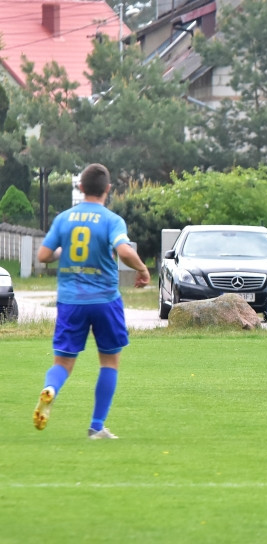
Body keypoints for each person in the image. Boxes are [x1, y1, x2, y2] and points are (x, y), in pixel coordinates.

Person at [33, 163, 151, 439]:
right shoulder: (111, 220)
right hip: (104, 300)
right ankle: (97, 426)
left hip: (71, 300)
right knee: (109, 362)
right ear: (108, 189)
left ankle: (51, 389)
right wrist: (143, 269)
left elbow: (43, 256)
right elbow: (123, 250)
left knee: (62, 363)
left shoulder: (64, 219)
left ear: (80, 187)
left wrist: (64, 252)